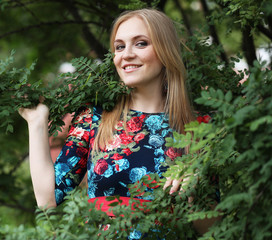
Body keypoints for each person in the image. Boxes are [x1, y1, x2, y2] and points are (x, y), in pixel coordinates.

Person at [19, 8, 216, 237]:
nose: (127, 54)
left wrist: (195, 194)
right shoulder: (95, 119)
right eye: (120, 47)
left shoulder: (199, 126)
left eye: (141, 43)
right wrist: (36, 122)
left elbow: (211, 231)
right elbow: (48, 199)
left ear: (165, 51)